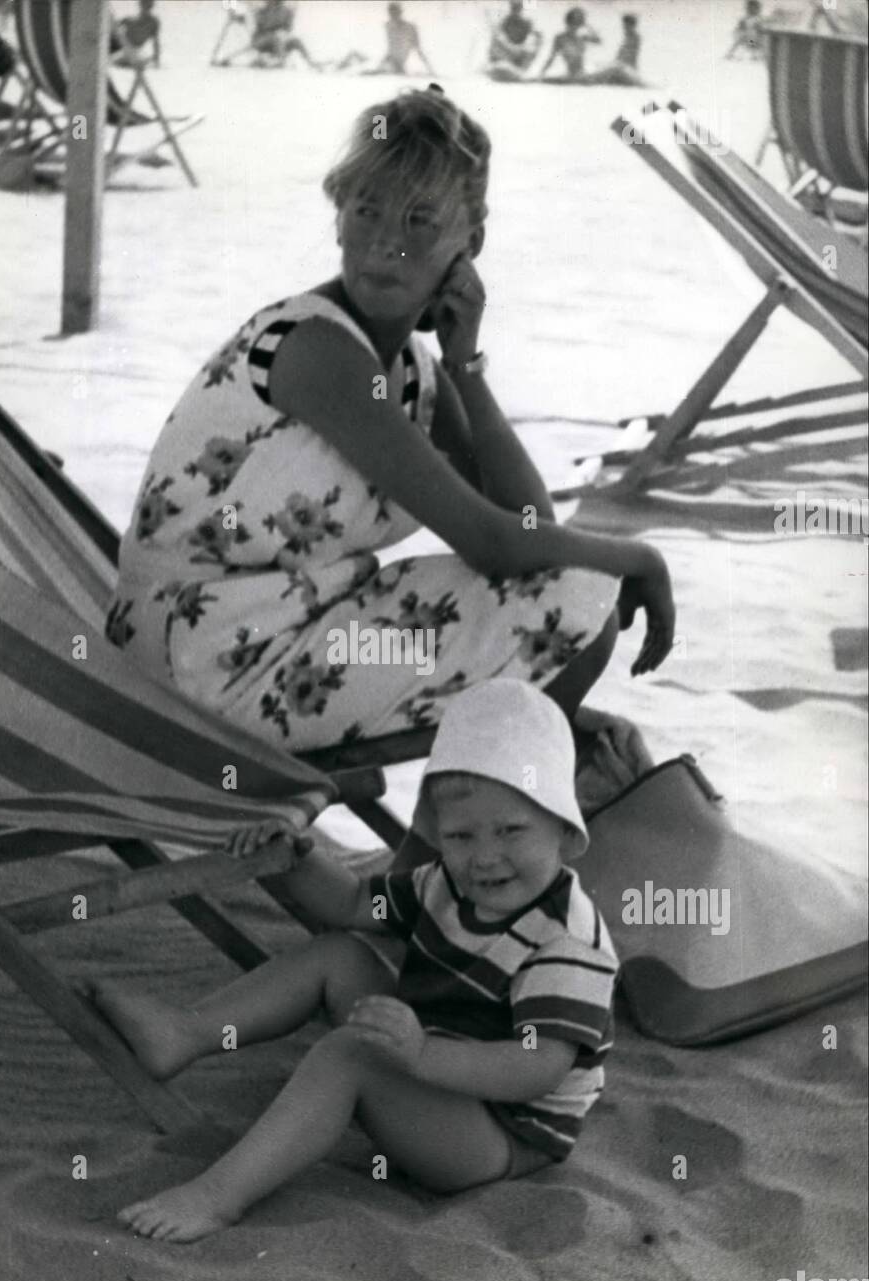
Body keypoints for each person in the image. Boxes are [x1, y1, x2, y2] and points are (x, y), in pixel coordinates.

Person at [107, 87, 675, 806]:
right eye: (366, 209)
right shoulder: (315, 351)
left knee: (568, 597)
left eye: (419, 221)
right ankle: (442, 878)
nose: (383, 243)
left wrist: (466, 366)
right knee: (576, 607)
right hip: (200, 667)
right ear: (338, 213)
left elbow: (530, 527)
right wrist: (639, 559)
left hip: (292, 630)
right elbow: (498, 545)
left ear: (471, 239)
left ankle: (467, 855)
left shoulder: (409, 368)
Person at [97, 679, 619, 1241]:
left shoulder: (567, 939)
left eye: (512, 830)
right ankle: (187, 1031)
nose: (485, 856)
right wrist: (299, 856)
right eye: (462, 836)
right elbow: (351, 904)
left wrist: (419, 1055)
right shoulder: (444, 882)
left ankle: (218, 1196)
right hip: (439, 1064)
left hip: (500, 1134)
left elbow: (535, 1068)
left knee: (351, 1053)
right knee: (339, 953)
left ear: (565, 832)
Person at [335, 3, 434, 76]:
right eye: (390, 13)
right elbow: (389, 50)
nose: (392, 15)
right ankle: (334, 70)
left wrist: (431, 71)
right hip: (387, 60)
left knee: (363, 70)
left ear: (400, 12)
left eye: (395, 12)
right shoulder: (388, 26)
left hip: (397, 65)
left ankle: (336, 71)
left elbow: (418, 49)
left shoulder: (410, 28)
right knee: (353, 54)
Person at [216, 0, 320, 70]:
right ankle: (279, 60)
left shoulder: (287, 11)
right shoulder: (261, 11)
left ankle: (311, 62)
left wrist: (285, 32)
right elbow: (237, 6)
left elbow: (288, 29)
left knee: (296, 41)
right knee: (276, 37)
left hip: (280, 40)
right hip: (261, 41)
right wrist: (233, 12)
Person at [539, 6, 602, 81]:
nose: (576, 26)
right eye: (574, 22)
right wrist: (541, 73)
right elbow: (551, 57)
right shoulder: (560, 38)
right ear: (568, 22)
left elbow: (599, 41)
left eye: (578, 22)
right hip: (571, 75)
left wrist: (587, 26)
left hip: (582, 73)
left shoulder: (582, 37)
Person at [487, 0, 543, 78]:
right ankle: (495, 65)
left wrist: (521, 48)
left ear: (521, 9)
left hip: (520, 54)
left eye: (517, 8)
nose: (515, 10)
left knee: (537, 37)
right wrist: (510, 47)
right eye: (514, 8)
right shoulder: (505, 21)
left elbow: (534, 39)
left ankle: (522, 70)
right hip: (507, 53)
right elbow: (499, 39)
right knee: (495, 38)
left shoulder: (527, 22)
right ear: (511, 8)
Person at [585, 12, 643, 86]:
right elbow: (621, 57)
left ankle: (588, 79)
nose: (624, 27)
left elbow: (627, 58)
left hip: (628, 69)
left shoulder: (634, 38)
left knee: (610, 68)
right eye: (624, 25)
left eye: (626, 25)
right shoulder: (628, 38)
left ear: (632, 25)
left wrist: (615, 64)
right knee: (599, 65)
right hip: (624, 68)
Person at [111, 0, 161, 68]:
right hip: (123, 46)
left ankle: (122, 60)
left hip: (135, 51)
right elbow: (115, 28)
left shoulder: (153, 22)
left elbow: (156, 41)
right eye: (144, 5)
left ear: (151, 6)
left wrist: (156, 59)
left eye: (148, 6)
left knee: (138, 60)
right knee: (115, 26)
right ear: (140, 5)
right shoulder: (129, 20)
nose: (146, 8)